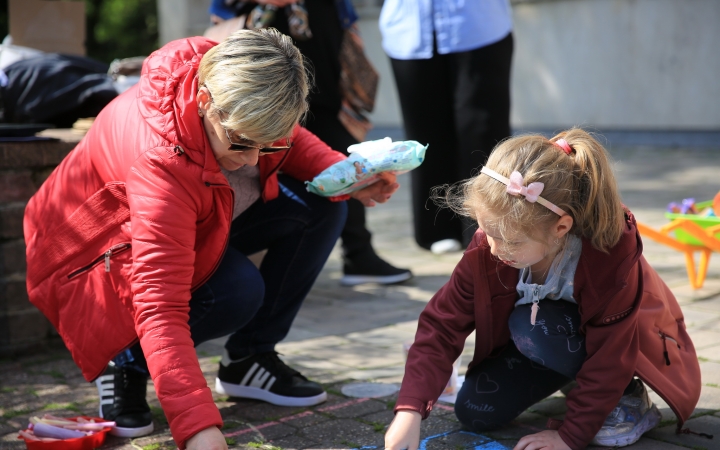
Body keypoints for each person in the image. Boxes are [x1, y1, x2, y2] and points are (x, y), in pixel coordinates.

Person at [23, 29, 399, 450]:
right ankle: (124, 361)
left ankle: (248, 359)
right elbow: (160, 303)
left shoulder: (240, 79)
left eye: (268, 144)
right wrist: (198, 429)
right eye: (242, 142)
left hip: (195, 218)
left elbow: (291, 143)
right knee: (236, 290)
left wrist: (346, 176)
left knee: (325, 205)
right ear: (205, 104)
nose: (254, 159)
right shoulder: (160, 162)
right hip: (88, 256)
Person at [384, 129, 702, 450]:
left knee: (534, 327)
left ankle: (627, 398)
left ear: (560, 228)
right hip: (548, 341)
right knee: (475, 412)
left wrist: (569, 436)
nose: (493, 248)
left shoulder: (607, 254)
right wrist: (410, 409)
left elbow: (612, 353)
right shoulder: (489, 245)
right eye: (486, 231)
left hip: (618, 350)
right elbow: (442, 325)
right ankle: (579, 386)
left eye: (510, 241)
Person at [207, 0, 413, 286]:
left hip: (320, 40)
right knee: (260, 149)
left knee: (335, 153)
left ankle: (357, 251)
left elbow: (302, 145)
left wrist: (351, 173)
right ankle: (233, 261)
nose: (252, 156)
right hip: (263, 49)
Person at [379, 0, 514, 254]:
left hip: (478, 23)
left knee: (483, 130)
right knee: (424, 135)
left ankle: (490, 225)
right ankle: (438, 227)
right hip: (409, 27)